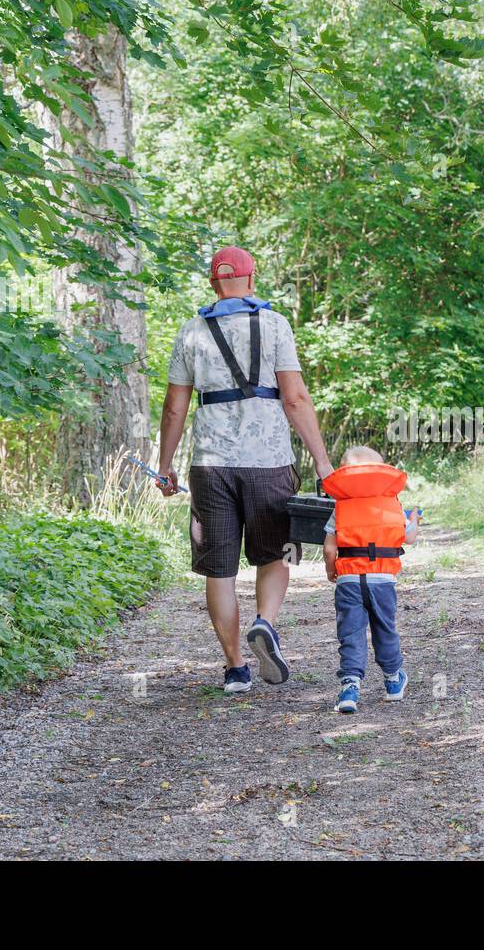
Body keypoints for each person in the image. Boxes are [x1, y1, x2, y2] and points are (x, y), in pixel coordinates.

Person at [157, 246, 334, 693]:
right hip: (268, 461)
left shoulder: (191, 331)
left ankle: (236, 668)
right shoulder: (274, 325)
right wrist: (323, 461)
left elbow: (175, 407)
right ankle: (266, 625)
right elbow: (294, 398)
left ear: (213, 283)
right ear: (251, 280)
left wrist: (165, 464)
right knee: (275, 555)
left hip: (210, 467)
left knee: (220, 569)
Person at [321, 446, 420, 713]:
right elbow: (409, 537)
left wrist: (332, 570)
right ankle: (393, 681)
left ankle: (349, 688)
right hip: (382, 581)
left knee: (351, 632)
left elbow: (330, 549)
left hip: (349, 581)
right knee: (384, 629)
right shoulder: (392, 505)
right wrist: (414, 519)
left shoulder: (340, 508)